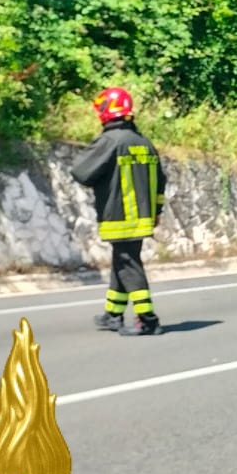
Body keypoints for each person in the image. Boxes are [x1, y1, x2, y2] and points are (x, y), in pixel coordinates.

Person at [71, 87, 169, 336]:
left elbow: (82, 172)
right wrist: (156, 210)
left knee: (128, 263)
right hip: (143, 216)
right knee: (121, 260)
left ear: (106, 111)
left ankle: (148, 319)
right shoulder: (144, 142)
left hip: (120, 215)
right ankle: (113, 314)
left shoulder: (111, 141)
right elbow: (161, 180)